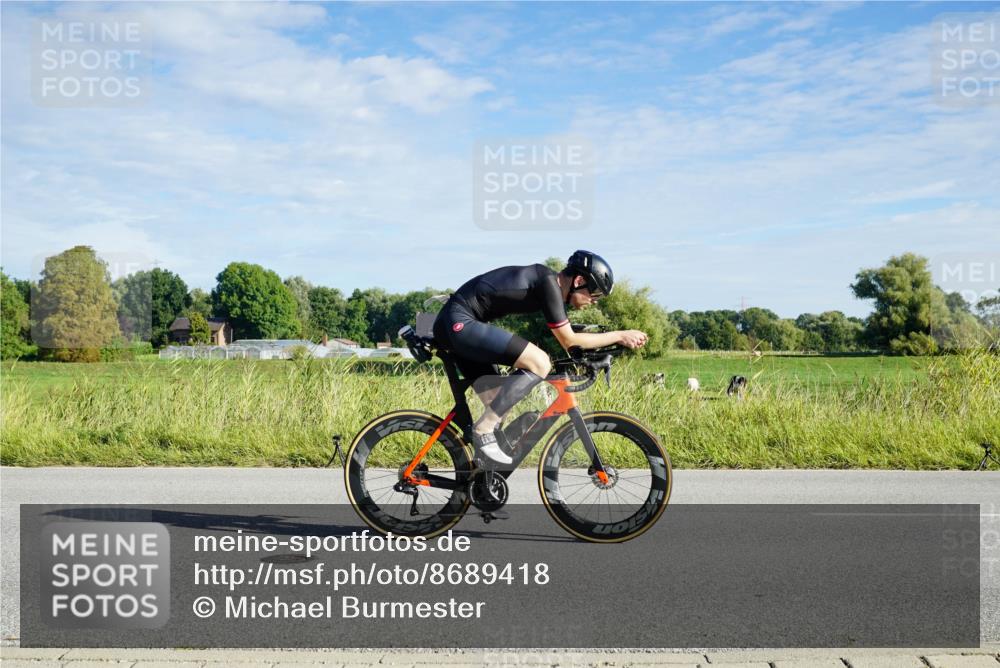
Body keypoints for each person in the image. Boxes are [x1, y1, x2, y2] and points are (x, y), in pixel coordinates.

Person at [432, 250, 648, 465]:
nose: (595, 301)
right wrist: (620, 335)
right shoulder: (548, 284)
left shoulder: (548, 285)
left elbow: (569, 339)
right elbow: (570, 341)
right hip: (459, 321)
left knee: (500, 402)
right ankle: (482, 430)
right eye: (596, 294)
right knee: (540, 362)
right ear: (579, 281)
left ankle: (479, 474)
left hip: (457, 323)